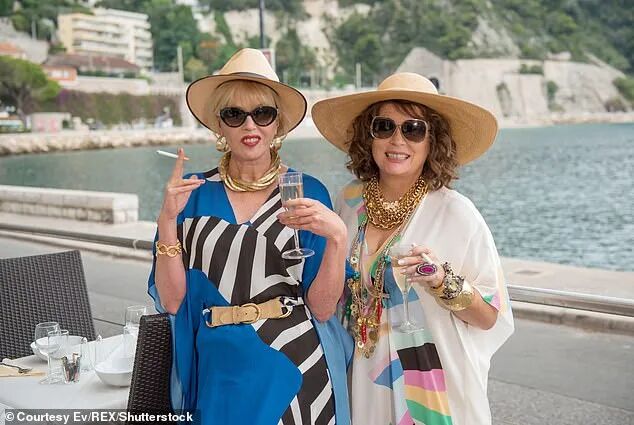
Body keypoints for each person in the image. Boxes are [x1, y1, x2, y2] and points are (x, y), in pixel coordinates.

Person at [148, 48, 352, 425]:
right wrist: (166, 220)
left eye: (262, 113)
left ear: (278, 124)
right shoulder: (191, 195)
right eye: (234, 114)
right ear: (219, 125)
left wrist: (338, 239)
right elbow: (173, 301)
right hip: (218, 371)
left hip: (296, 368)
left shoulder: (308, 192)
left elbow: (323, 309)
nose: (249, 125)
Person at [311, 72, 514, 425]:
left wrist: (442, 281)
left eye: (414, 129)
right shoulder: (348, 201)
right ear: (369, 135)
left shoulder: (456, 213)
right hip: (362, 378)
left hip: (431, 389)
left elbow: (489, 317)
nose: (397, 140)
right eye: (384, 126)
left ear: (433, 141)